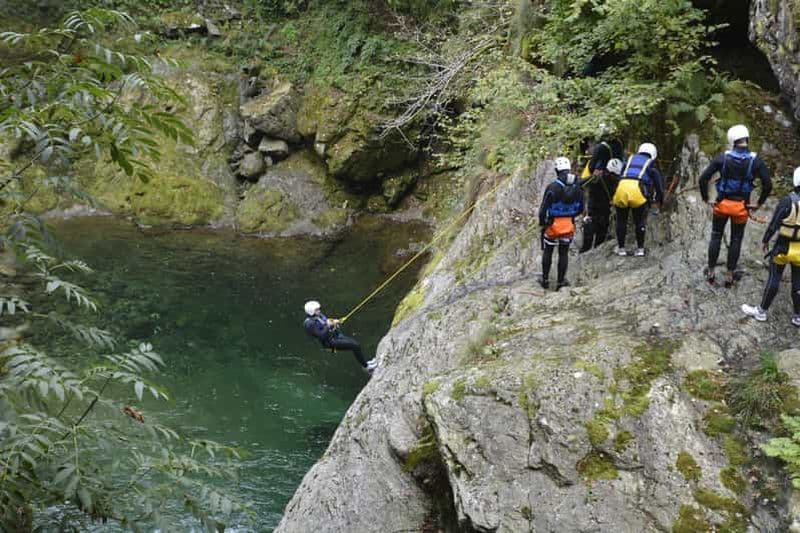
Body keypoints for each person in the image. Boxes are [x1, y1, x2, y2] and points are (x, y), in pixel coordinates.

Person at [700, 124, 772, 287]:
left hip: (722, 205)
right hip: (741, 208)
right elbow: (768, 185)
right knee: (736, 239)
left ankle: (711, 271)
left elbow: (703, 178)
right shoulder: (756, 161)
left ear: (732, 140)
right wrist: (758, 204)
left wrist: (706, 197)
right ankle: (729, 275)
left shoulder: (722, 158)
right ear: (746, 139)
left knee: (716, 235)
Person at [742, 168, 800, 326]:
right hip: (799, 250)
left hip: (783, 247)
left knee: (775, 277)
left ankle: (761, 311)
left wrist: (766, 240)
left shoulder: (788, 201)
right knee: (798, 282)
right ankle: (798, 316)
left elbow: (775, 224)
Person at [538, 157, 584, 290]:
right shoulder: (578, 186)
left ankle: (545, 280)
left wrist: (543, 223)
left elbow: (543, 209)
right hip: (568, 225)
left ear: (557, 170)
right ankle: (560, 282)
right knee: (563, 253)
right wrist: (570, 216)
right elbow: (581, 208)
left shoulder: (553, 187)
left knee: (548, 251)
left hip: (552, 225)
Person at [612, 143, 664, 257]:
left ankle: (621, 249)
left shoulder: (629, 159)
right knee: (639, 221)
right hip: (637, 191)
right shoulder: (650, 164)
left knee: (621, 220)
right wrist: (659, 200)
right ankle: (640, 249)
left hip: (622, 189)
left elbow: (620, 174)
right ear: (653, 154)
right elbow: (658, 185)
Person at [303, 301, 378, 373]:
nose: (319, 310)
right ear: (311, 311)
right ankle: (366, 367)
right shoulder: (310, 324)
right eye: (316, 310)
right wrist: (329, 326)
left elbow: (326, 322)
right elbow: (321, 336)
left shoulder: (319, 316)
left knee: (356, 344)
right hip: (330, 342)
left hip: (335, 335)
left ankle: (366, 363)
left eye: (318, 309)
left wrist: (334, 322)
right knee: (355, 346)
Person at [580, 158, 622, 252]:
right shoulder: (598, 178)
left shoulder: (617, 181)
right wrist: (592, 176)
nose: (615, 177)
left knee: (599, 243)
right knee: (587, 244)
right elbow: (580, 184)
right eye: (614, 175)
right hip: (593, 213)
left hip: (604, 214)